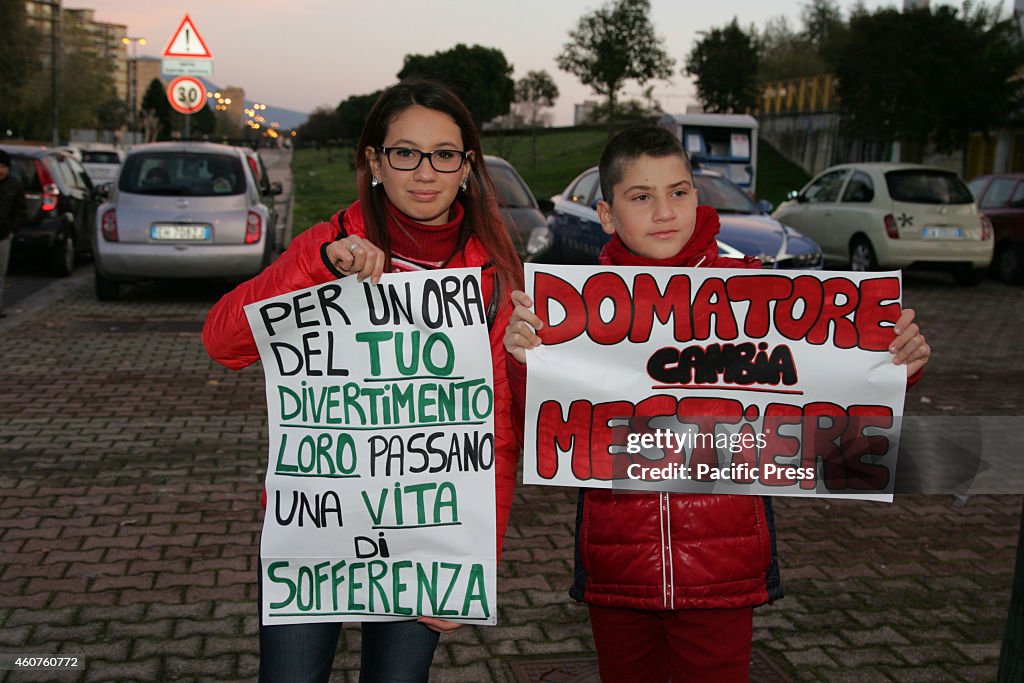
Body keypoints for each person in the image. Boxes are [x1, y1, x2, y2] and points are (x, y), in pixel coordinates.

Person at [503, 126, 931, 682]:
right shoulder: (573, 311)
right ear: (607, 215)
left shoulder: (752, 291)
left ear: (696, 197)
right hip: (618, 562)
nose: (664, 211)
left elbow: (829, 380)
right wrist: (524, 359)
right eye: (641, 196)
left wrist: (897, 362)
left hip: (722, 565)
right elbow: (537, 427)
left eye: (679, 192)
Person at [201, 79, 523, 683]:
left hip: (425, 544)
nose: (425, 172)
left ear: (466, 167)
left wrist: (474, 557)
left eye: (444, 154)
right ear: (375, 161)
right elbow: (223, 342)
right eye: (405, 152)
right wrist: (317, 270)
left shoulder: (494, 276)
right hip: (316, 535)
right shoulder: (326, 246)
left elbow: (496, 434)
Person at [0, 149, 25, 318]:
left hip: (3, 234)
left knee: (1, 272)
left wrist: (12, 228)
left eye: (2, 166)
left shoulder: (14, 185)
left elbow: (20, 210)